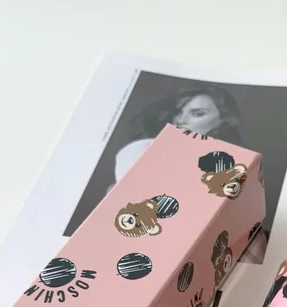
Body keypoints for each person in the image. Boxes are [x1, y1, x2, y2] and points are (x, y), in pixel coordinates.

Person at [114, 83, 267, 263]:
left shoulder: (233, 165)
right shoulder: (143, 148)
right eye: (178, 112)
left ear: (223, 120)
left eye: (197, 114)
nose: (181, 120)